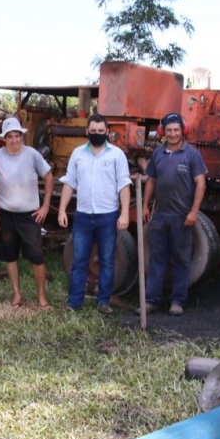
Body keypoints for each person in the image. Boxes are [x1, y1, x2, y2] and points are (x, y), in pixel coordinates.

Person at [58, 113, 131, 314]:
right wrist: (62, 209)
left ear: (107, 132)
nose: (97, 134)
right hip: (82, 216)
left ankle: (104, 302)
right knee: (79, 260)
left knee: (107, 260)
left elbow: (124, 185)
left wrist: (124, 214)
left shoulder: (116, 155)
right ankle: (74, 302)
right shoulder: (77, 154)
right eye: (93, 131)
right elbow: (69, 182)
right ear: (87, 132)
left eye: (101, 131)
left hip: (107, 216)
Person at [141, 112, 207, 316]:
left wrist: (194, 211)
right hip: (159, 216)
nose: (172, 134)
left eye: (176, 130)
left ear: (183, 131)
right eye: (168, 130)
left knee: (181, 259)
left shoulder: (192, 154)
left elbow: (201, 183)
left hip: (182, 218)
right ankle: (151, 301)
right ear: (163, 132)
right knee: (157, 259)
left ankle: (177, 301)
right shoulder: (157, 155)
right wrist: (145, 205)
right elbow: (151, 180)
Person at [0, 116, 54, 310]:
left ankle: (42, 297)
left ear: (22, 136)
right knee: (10, 256)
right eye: (10, 136)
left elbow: (49, 178)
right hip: (6, 215)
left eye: (17, 136)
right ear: (4, 138)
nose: (14, 140)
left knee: (36, 256)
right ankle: (17, 294)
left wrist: (46, 206)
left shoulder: (32, 155)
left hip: (30, 215)